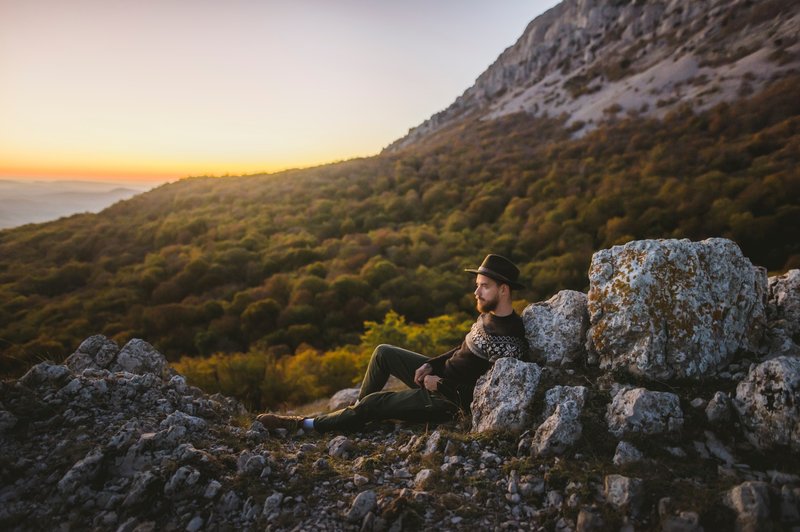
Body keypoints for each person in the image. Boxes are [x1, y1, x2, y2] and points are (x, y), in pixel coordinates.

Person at [256, 254, 530, 433]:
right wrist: (429, 364)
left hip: (444, 400)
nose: (476, 291)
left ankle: (302, 425)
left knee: (376, 402)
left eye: (484, 286)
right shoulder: (487, 316)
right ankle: (356, 417)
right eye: (477, 284)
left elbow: (488, 395)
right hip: (438, 378)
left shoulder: (511, 341)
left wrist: (441, 385)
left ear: (503, 289)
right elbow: (461, 350)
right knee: (383, 352)